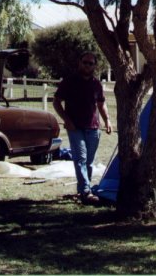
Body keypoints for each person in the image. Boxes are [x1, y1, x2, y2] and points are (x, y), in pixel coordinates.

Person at [53, 51, 112, 204]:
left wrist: (107, 121)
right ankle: (86, 191)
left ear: (94, 66)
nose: (87, 65)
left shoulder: (96, 84)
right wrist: (66, 120)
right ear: (79, 63)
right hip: (75, 128)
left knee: (89, 162)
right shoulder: (69, 81)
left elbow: (101, 104)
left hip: (93, 128)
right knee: (80, 158)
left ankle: (85, 190)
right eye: (84, 62)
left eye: (90, 63)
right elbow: (56, 102)